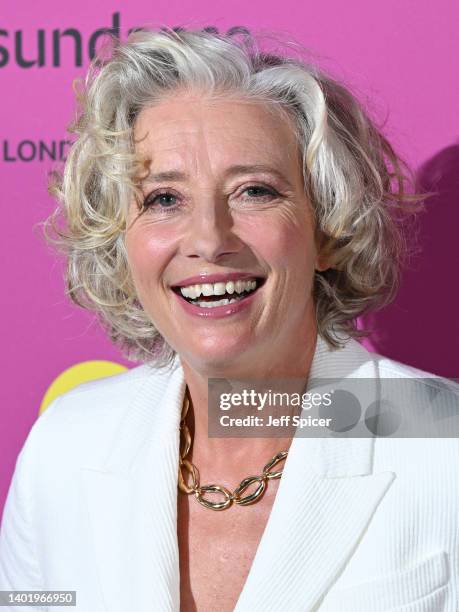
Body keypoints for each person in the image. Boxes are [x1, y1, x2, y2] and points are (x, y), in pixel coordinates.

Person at [0, 27, 458, 612]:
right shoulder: (64, 445)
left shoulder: (447, 443)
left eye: (254, 192)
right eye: (164, 198)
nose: (210, 239)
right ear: (121, 239)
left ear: (326, 230)